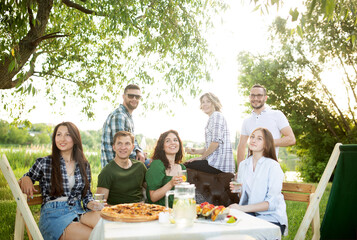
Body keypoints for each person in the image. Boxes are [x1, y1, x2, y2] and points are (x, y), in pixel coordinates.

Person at [18, 122, 101, 240]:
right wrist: (25, 178)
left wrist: (92, 204)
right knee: (94, 236)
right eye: (59, 134)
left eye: (67, 135)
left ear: (75, 138)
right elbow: (27, 177)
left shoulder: (84, 165)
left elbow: (86, 195)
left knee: (104, 222)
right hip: (54, 215)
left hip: (77, 210)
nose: (62, 139)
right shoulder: (45, 162)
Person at [229, 127, 288, 235]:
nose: (253, 140)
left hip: (272, 219)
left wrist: (241, 208)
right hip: (250, 215)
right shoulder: (243, 165)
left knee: (244, 236)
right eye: (252, 137)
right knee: (227, 232)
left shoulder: (273, 166)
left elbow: (271, 204)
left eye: (259, 138)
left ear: (266, 144)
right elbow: (245, 196)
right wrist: (239, 190)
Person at [237, 84, 296, 167]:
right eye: (253, 95)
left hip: (268, 168)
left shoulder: (277, 115)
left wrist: (266, 142)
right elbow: (241, 147)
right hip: (249, 169)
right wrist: (240, 171)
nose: (256, 98)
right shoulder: (246, 121)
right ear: (249, 97)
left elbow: (291, 139)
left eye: (259, 95)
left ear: (265, 98)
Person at [185, 92, 235, 174]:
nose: (205, 104)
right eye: (203, 102)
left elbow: (215, 143)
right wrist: (195, 151)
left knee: (185, 166)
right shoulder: (212, 118)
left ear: (214, 103)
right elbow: (209, 147)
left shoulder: (216, 116)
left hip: (218, 165)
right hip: (214, 162)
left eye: (208, 101)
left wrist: (201, 158)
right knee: (188, 164)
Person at [101, 84, 147, 168]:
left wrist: (139, 151)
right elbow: (122, 148)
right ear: (123, 96)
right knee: (155, 166)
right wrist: (140, 157)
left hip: (124, 164)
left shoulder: (127, 116)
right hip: (116, 169)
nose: (134, 99)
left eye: (137, 97)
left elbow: (133, 142)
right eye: (130, 96)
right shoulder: (119, 116)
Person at [96, 131, 147, 205]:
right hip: (117, 213)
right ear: (114, 147)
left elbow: (151, 189)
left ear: (132, 147)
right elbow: (99, 203)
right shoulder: (106, 172)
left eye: (127, 144)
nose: (123, 147)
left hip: (139, 210)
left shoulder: (140, 167)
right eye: (119, 143)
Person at [145, 130, 186, 208]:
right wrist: (171, 183)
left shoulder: (182, 168)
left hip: (177, 211)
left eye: (175, 140)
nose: (172, 143)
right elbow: (153, 197)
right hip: (159, 212)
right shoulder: (157, 165)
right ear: (162, 147)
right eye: (168, 141)